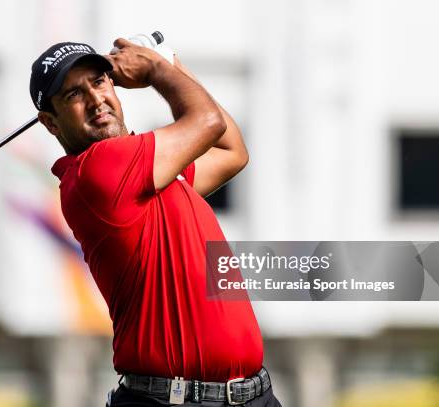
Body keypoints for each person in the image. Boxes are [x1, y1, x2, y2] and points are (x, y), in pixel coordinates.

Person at [29, 38, 282, 406]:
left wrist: (172, 64)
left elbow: (231, 152)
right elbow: (207, 122)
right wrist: (156, 70)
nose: (96, 99)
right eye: (73, 95)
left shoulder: (151, 170)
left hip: (253, 396)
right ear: (51, 123)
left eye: (99, 81)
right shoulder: (97, 170)